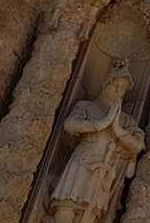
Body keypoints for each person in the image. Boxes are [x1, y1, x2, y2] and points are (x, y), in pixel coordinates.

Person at [50, 60, 145, 223]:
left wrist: (117, 129)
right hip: (82, 163)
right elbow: (70, 124)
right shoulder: (86, 106)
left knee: (89, 215)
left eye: (122, 88)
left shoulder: (126, 120)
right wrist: (101, 123)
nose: (118, 90)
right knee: (66, 207)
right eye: (116, 85)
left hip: (103, 172)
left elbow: (137, 146)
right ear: (106, 84)